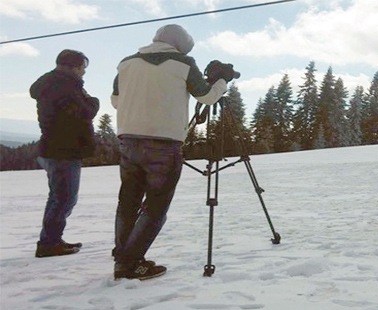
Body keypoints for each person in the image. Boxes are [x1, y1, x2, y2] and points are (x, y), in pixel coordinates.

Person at [110, 24, 234, 280]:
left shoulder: (126, 63)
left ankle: (124, 259)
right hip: (164, 144)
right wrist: (222, 80)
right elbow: (207, 97)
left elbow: (115, 101)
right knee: (155, 206)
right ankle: (130, 262)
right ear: (180, 45)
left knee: (128, 202)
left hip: (129, 140)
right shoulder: (184, 63)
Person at [30, 49, 100, 257]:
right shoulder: (66, 86)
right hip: (63, 150)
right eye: (83, 68)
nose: (83, 73)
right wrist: (94, 101)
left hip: (51, 147)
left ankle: (51, 240)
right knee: (64, 198)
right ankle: (49, 243)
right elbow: (84, 112)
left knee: (58, 197)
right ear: (73, 67)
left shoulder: (50, 84)